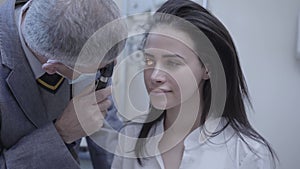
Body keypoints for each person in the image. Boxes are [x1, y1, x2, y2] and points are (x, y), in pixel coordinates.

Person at [112, 0, 277, 169]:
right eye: (149, 60)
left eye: (172, 63)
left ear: (207, 68)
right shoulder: (130, 138)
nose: (155, 76)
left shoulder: (247, 155)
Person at [0, 0, 126, 168]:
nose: (109, 68)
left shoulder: (87, 35)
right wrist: (61, 135)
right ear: (52, 67)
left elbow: (106, 136)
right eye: (99, 68)